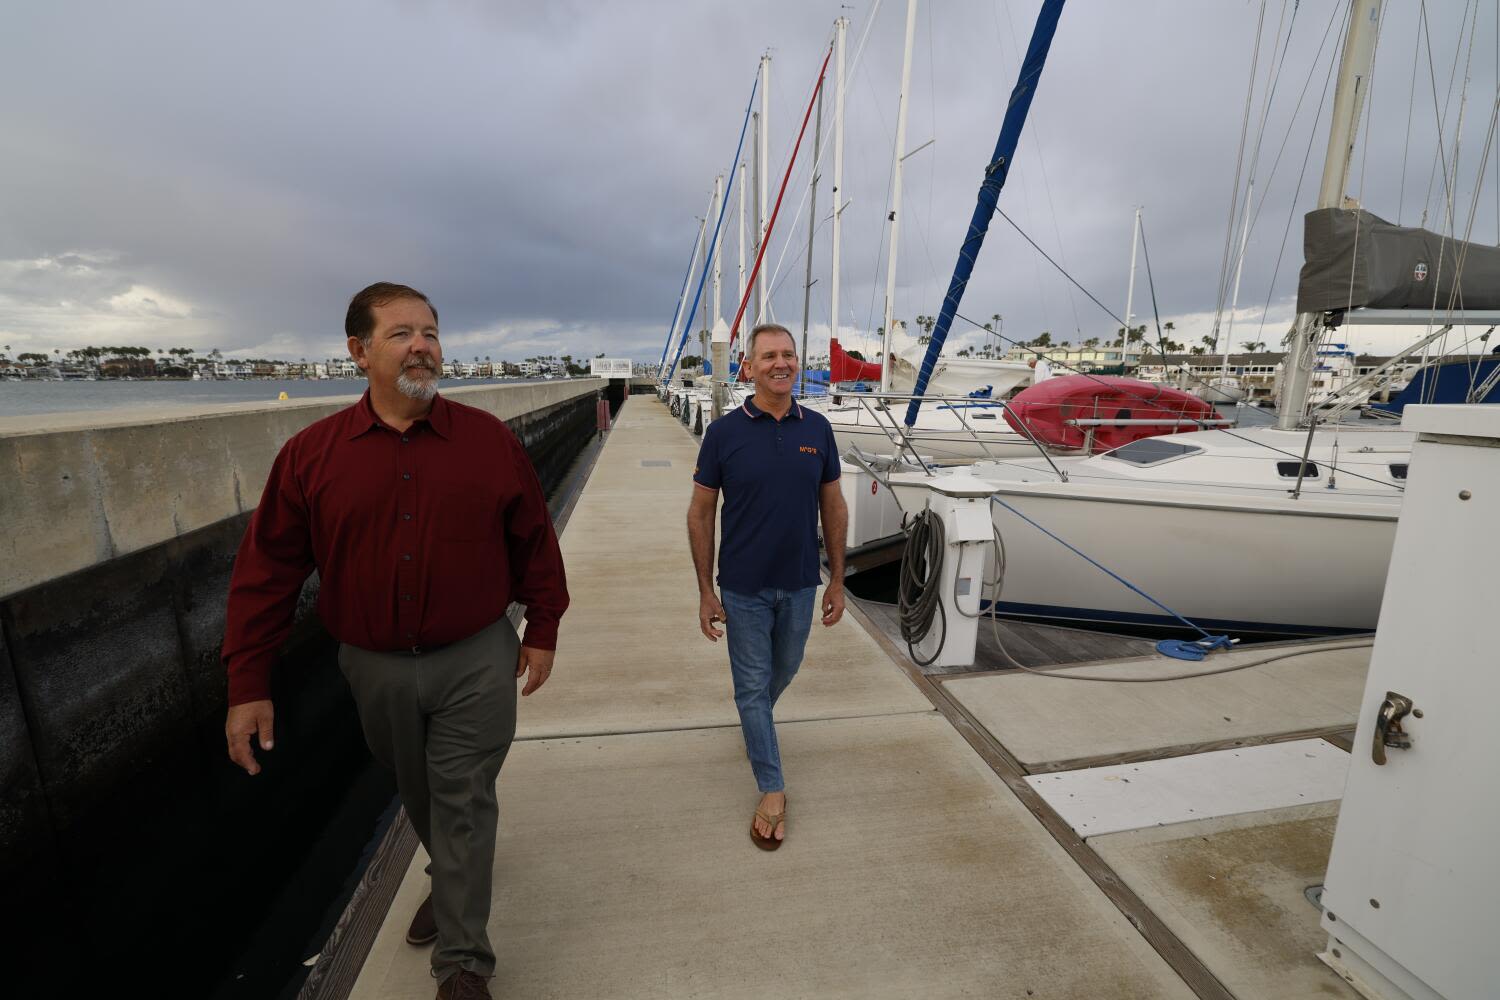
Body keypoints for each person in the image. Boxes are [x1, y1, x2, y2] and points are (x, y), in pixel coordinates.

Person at [220, 282, 568, 1000]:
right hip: (372, 667)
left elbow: (534, 539)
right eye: (402, 333)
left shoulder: (489, 443)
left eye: (432, 333)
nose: (422, 346)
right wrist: (248, 683)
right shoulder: (311, 457)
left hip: (477, 655)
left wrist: (544, 627)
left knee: (464, 795)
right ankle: (448, 880)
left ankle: (463, 965)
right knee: (419, 792)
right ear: (359, 352)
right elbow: (267, 575)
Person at [686, 322, 848, 850]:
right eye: (769, 356)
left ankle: (755, 727)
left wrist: (838, 578)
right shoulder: (724, 434)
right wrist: (706, 590)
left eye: (789, 355)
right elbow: (700, 513)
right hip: (742, 587)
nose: (782, 363)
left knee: (783, 672)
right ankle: (772, 787)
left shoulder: (818, 429)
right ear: (748, 367)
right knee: (752, 687)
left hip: (801, 583)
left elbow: (834, 505)